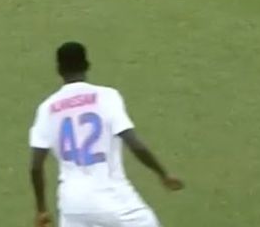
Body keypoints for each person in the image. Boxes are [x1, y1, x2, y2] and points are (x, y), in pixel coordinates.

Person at [28, 42, 184, 227]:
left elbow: (36, 166)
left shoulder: (47, 108)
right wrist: (163, 174)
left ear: (59, 69)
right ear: (87, 65)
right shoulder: (107, 96)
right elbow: (134, 143)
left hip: (73, 206)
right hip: (113, 197)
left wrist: (42, 209)